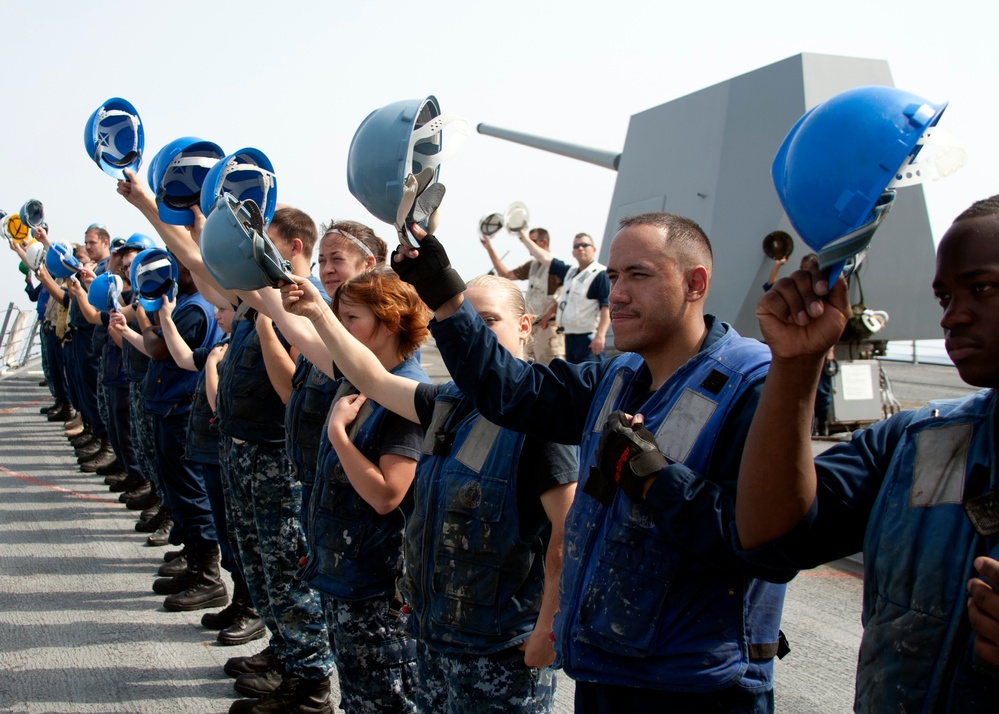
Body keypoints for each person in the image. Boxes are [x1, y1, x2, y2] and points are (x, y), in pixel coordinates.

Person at [386, 213, 791, 712]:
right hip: (606, 670)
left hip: (696, 687)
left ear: (695, 283)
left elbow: (766, 543)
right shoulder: (616, 377)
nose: (616, 293)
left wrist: (656, 480)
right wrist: (443, 295)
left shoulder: (750, 386)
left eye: (638, 275)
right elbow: (510, 391)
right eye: (614, 276)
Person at [736, 195, 999, 712]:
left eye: (982, 288)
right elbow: (770, 539)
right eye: (944, 297)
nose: (952, 316)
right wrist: (796, 366)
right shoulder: (918, 439)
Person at [281, 271, 577, 714]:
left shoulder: (540, 421)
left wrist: (549, 629)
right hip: (435, 638)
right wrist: (318, 312)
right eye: (465, 324)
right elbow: (373, 378)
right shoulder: (448, 401)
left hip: (499, 650)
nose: (475, 336)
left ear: (524, 326)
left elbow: (568, 531)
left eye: (489, 321)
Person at [298, 270, 429, 713]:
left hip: (373, 589)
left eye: (350, 317)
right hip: (343, 575)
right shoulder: (356, 381)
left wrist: (338, 435)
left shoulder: (406, 397)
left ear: (389, 321)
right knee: (357, 698)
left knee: (383, 701)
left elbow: (388, 494)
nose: (340, 326)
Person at [522, 231, 610, 363]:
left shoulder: (600, 274)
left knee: (592, 377)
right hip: (569, 337)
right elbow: (543, 257)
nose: (580, 248)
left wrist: (601, 335)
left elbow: (606, 307)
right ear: (572, 252)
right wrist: (522, 235)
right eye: (576, 246)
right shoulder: (570, 273)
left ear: (594, 249)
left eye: (584, 245)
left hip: (588, 338)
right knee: (574, 378)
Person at [480, 227, 564, 364]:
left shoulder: (557, 266)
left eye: (531, 241)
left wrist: (549, 314)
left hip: (547, 328)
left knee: (553, 370)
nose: (526, 245)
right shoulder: (533, 265)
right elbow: (506, 275)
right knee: (529, 369)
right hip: (534, 327)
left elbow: (566, 292)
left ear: (544, 243)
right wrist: (489, 248)